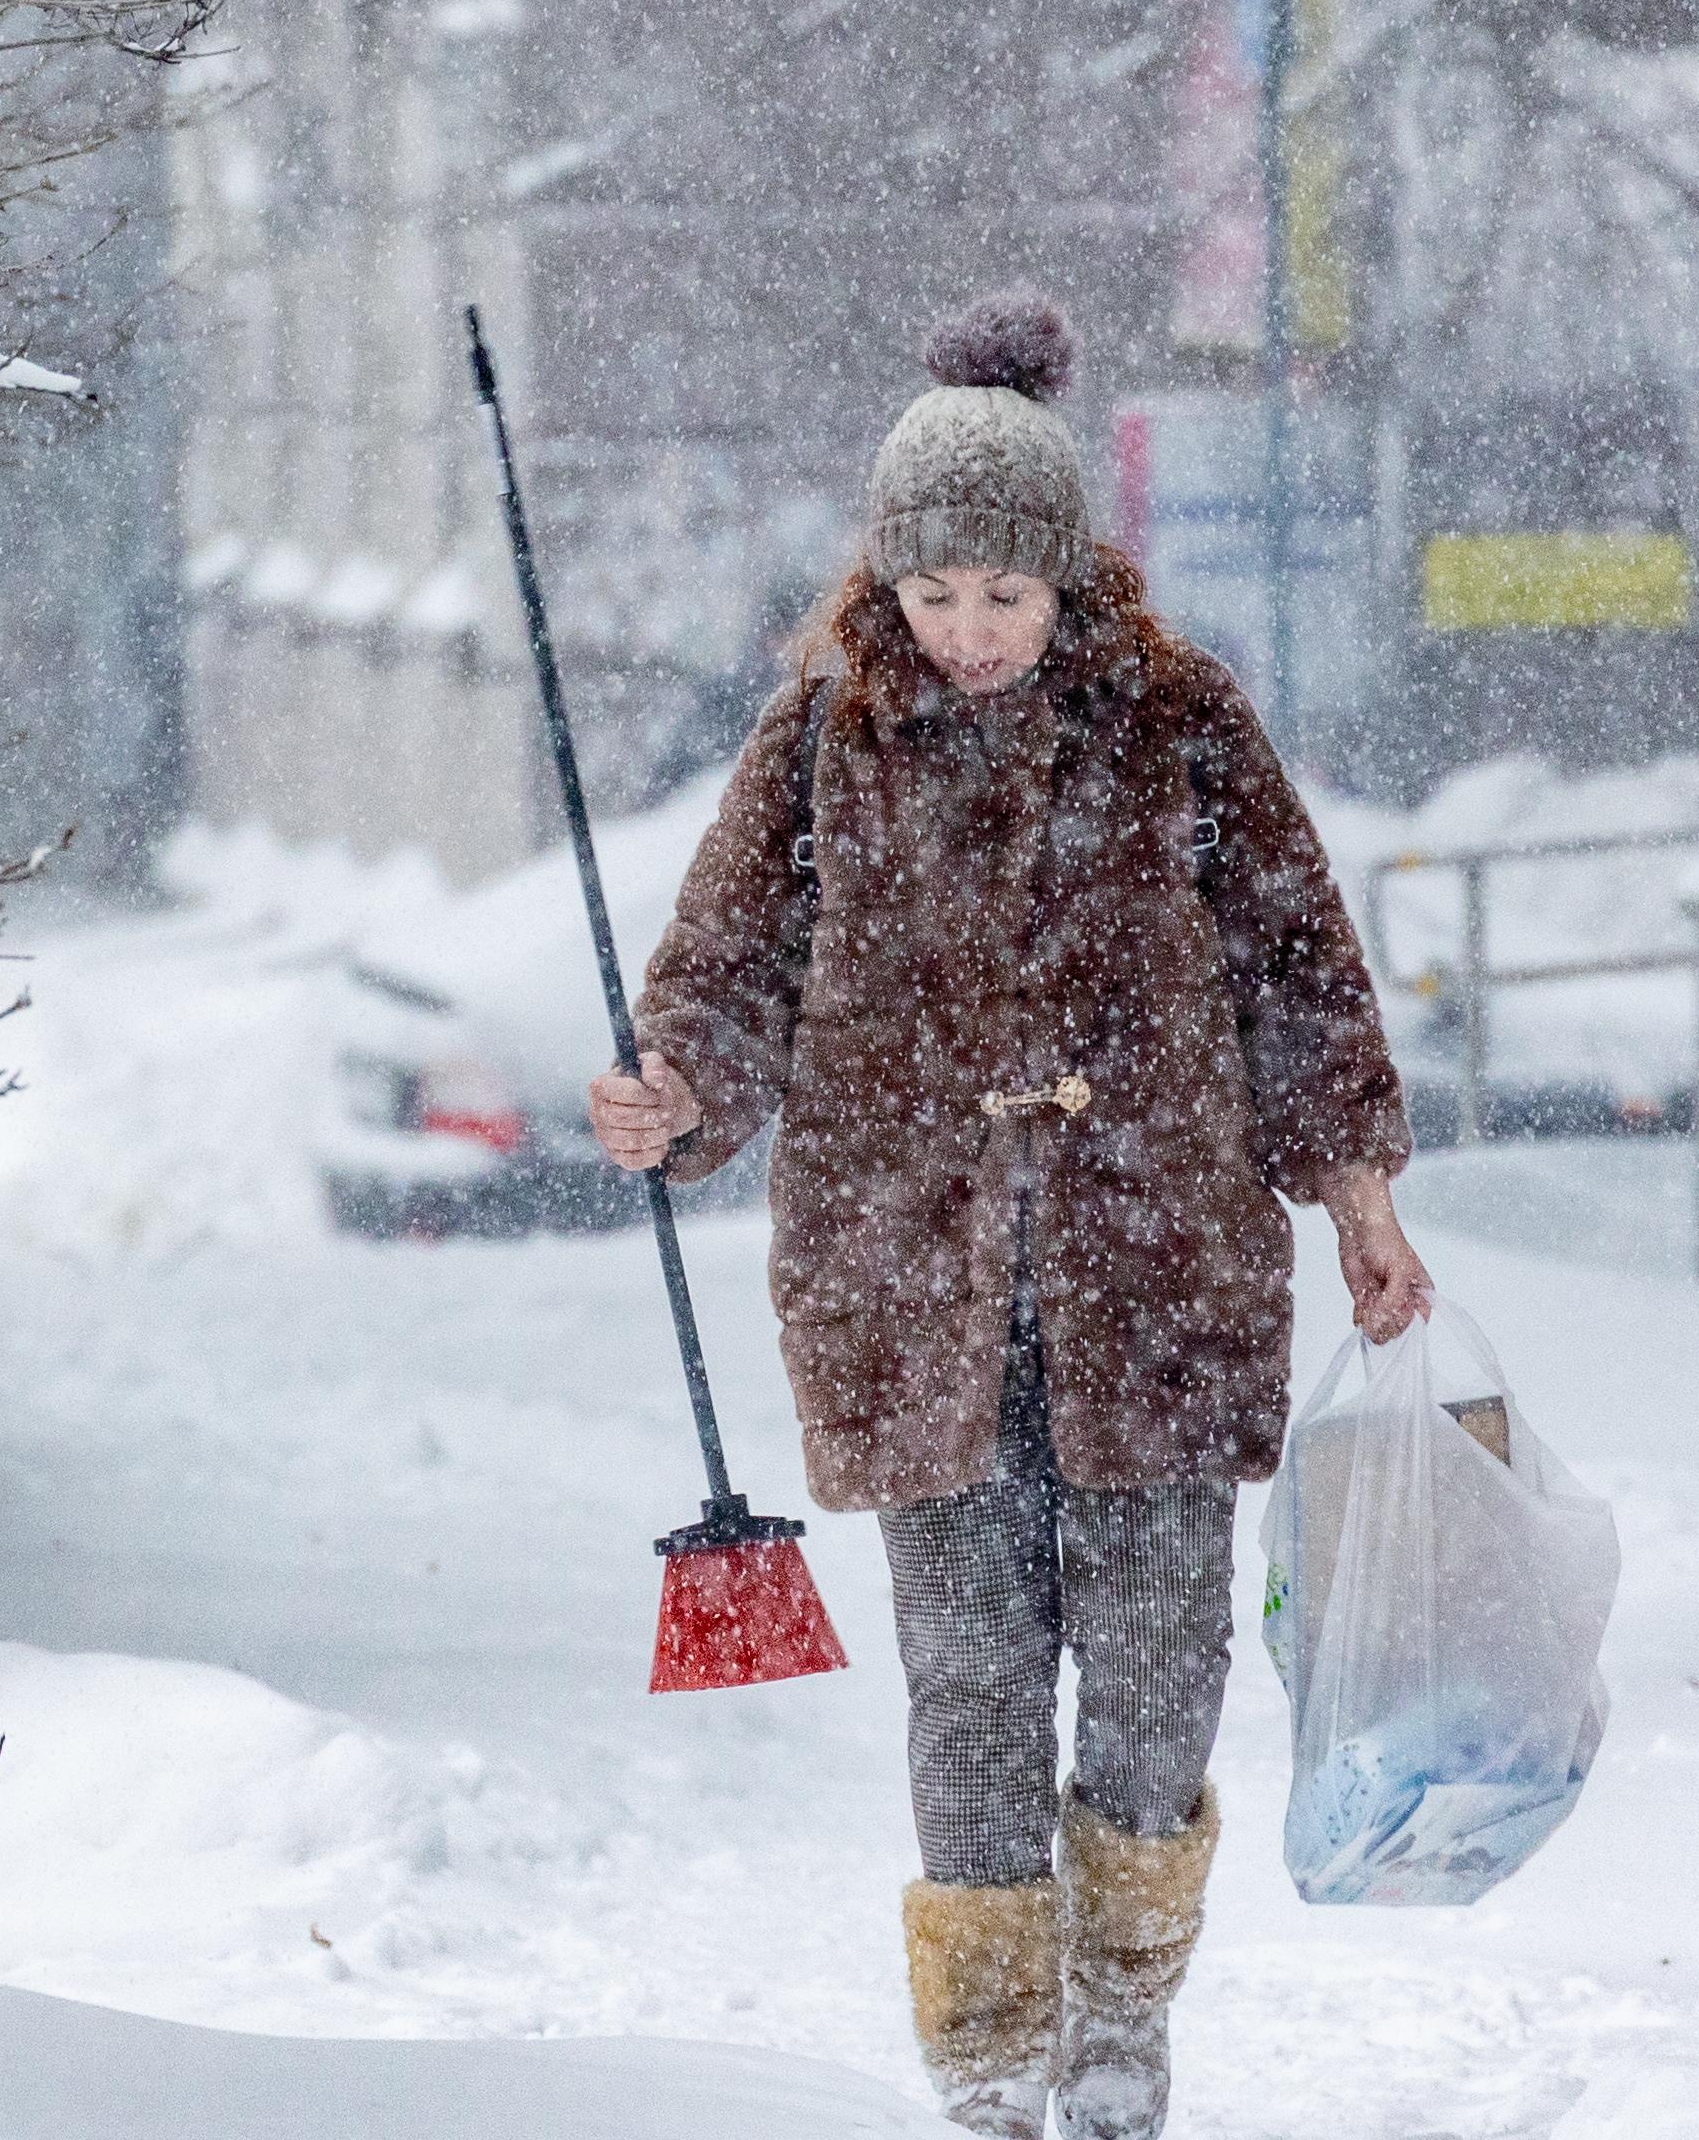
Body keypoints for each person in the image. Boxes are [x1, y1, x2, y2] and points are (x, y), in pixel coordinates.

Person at [586, 296, 1431, 2140]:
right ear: (886, 586)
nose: (970, 632)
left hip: (1160, 1269)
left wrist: (1358, 1194)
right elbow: (731, 965)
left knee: (1154, 1675)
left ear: (1071, 581)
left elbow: (1298, 964)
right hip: (908, 1277)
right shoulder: (822, 736)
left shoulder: (1180, 720)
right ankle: (989, 2072)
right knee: (968, 1689)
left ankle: (1120, 2029)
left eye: (1005, 595)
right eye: (936, 594)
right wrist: (678, 1092)